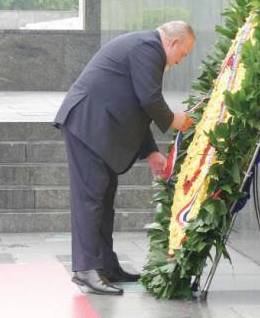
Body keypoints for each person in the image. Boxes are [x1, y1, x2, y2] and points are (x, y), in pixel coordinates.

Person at [54, 21, 194, 295]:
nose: (181, 61)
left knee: (103, 201)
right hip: (88, 124)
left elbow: (136, 105)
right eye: (184, 54)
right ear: (174, 43)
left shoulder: (146, 48)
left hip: (99, 128)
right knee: (90, 200)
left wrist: (152, 151)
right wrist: (176, 120)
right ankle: (85, 270)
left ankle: (105, 265)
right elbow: (149, 99)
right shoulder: (149, 48)